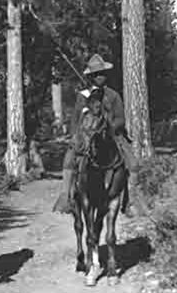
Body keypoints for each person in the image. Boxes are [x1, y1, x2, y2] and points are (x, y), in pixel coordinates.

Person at [53, 54, 136, 214]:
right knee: (69, 160)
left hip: (112, 135)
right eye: (96, 74)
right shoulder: (83, 96)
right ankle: (66, 197)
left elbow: (121, 119)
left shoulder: (113, 95)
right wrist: (76, 136)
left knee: (132, 163)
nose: (100, 77)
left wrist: (110, 126)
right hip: (86, 135)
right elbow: (76, 119)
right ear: (91, 76)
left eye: (102, 74)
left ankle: (130, 201)